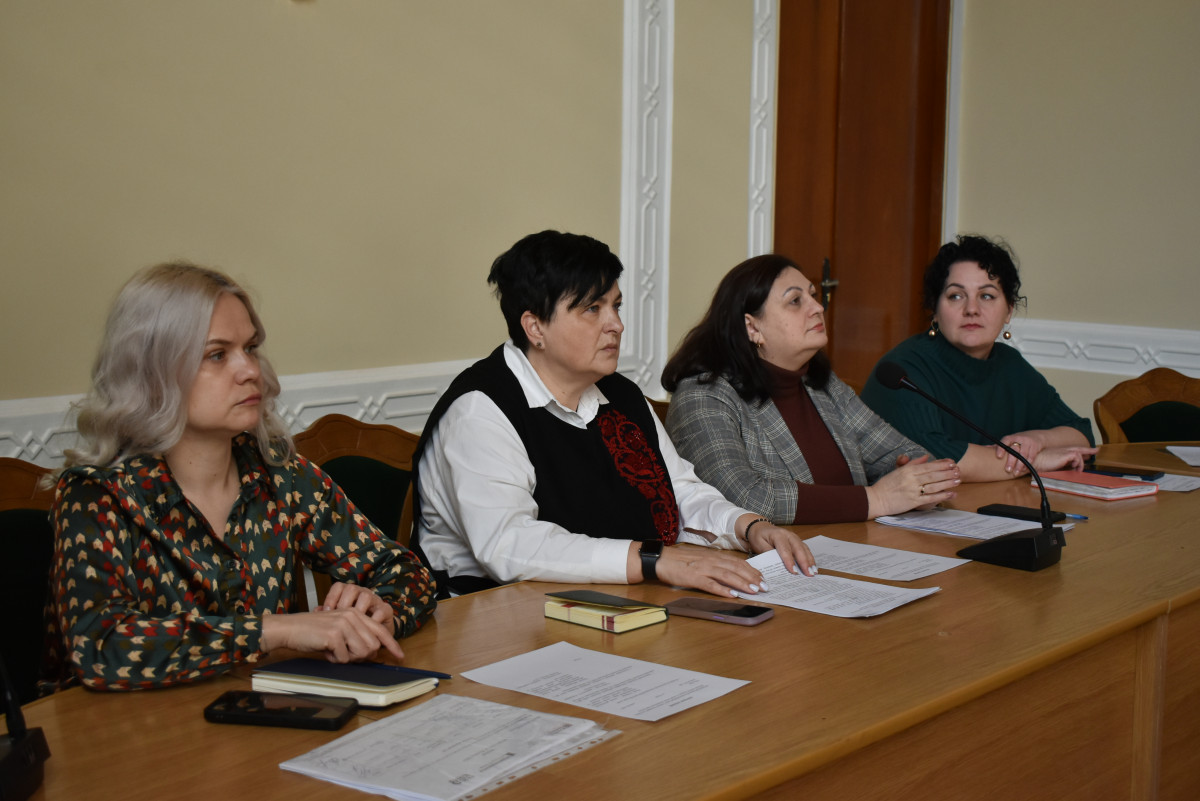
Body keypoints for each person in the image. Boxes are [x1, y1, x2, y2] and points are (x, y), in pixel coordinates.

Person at [48, 262, 436, 691]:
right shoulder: (97, 495)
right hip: (131, 727)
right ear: (153, 372)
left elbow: (405, 571)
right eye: (217, 354)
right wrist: (277, 631)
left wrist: (378, 610)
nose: (250, 370)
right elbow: (100, 647)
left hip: (262, 713)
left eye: (250, 348)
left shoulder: (282, 475)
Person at [413, 231, 817, 600]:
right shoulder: (480, 410)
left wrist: (749, 527)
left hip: (614, 600)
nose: (617, 325)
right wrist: (654, 560)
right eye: (593, 309)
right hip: (491, 614)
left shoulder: (621, 395)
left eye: (616, 306)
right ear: (534, 327)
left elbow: (680, 492)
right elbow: (509, 545)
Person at [661, 254, 960, 525]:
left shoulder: (822, 385)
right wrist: (878, 499)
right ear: (752, 328)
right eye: (795, 301)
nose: (818, 308)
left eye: (814, 296)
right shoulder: (703, 395)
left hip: (856, 548)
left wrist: (915, 482)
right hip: (768, 560)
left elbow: (908, 453)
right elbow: (744, 497)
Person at [860, 235, 1095, 481]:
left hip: (984, 501)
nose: (972, 309)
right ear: (935, 310)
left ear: (1009, 310)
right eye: (956, 296)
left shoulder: (1010, 364)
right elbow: (936, 459)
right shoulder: (903, 369)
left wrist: (1037, 440)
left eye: (986, 296)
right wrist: (1034, 461)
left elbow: (1081, 433)